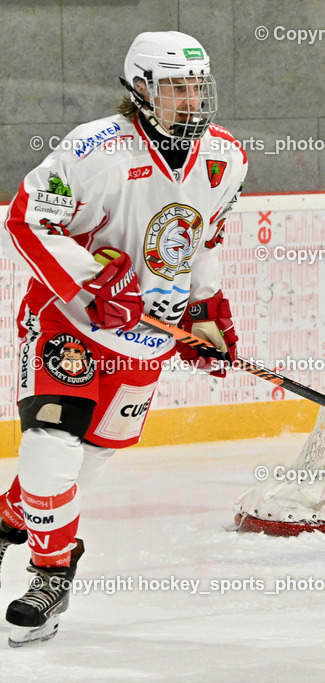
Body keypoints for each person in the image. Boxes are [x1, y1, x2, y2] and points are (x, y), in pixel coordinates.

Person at [0, 30, 246, 646]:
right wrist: (90, 284)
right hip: (69, 325)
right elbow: (27, 219)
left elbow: (200, 241)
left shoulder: (226, 158)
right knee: (51, 443)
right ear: (139, 90)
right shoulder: (93, 150)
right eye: (174, 89)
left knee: (87, 462)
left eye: (197, 87)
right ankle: (51, 574)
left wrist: (204, 316)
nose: (190, 101)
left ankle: (9, 516)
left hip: (144, 340)